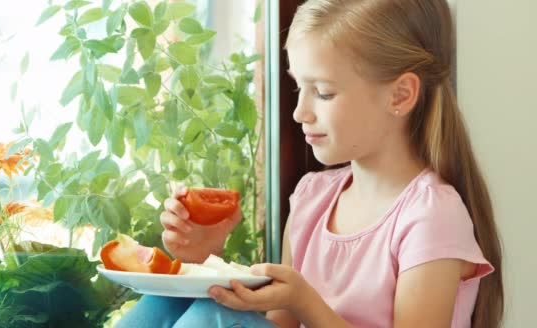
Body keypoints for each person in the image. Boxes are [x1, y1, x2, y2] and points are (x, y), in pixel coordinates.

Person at [116, 0, 504, 327]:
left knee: (208, 318)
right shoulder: (311, 196)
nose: (300, 111)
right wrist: (205, 259)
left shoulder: (430, 215)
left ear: (400, 95)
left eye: (323, 92)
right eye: (298, 87)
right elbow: (276, 323)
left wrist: (308, 305)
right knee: (163, 300)